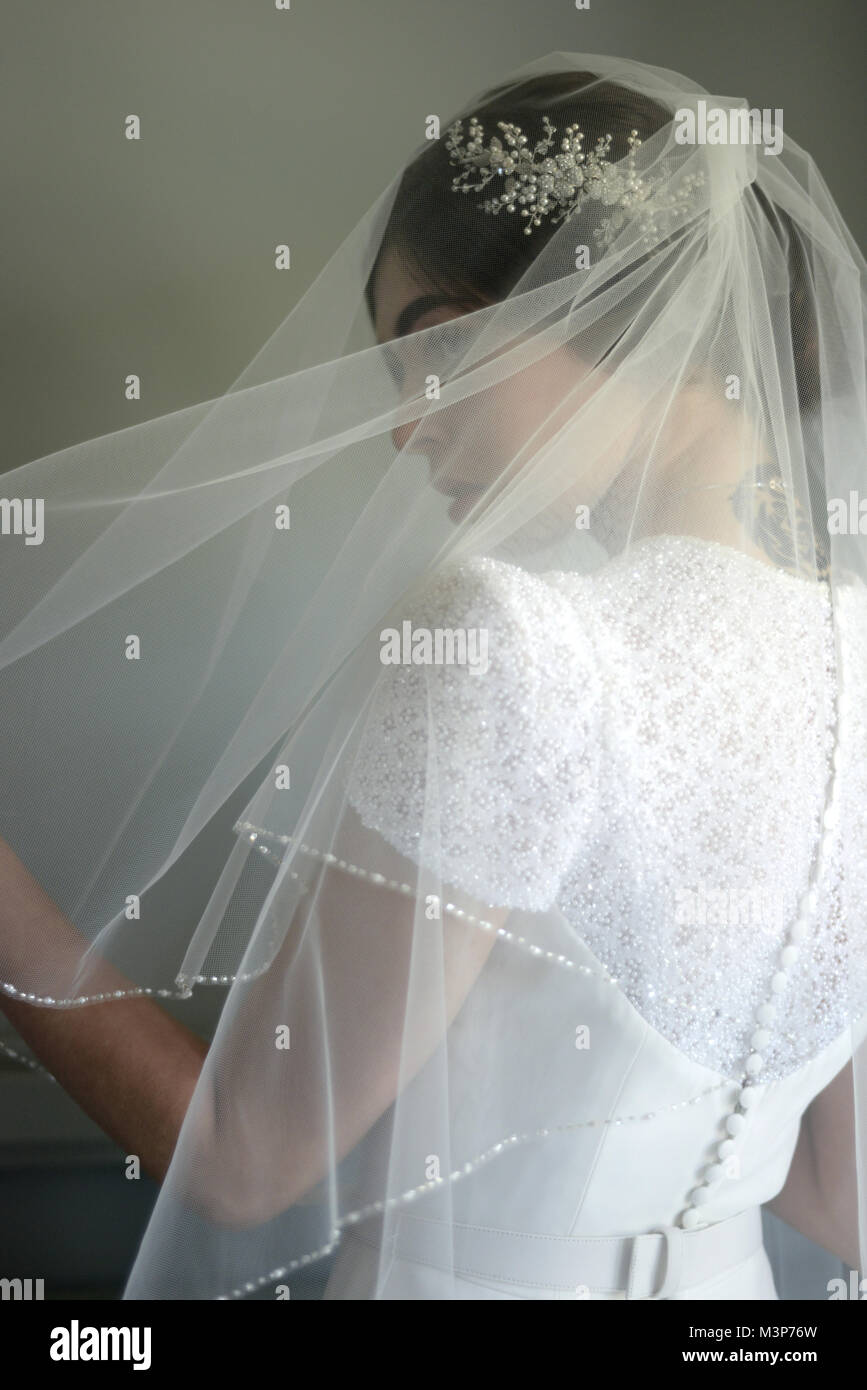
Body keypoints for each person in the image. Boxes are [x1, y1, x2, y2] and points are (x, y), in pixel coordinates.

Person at [0, 52, 864, 1300]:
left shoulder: (514, 649)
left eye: (431, 350)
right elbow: (841, 1198)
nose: (405, 427)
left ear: (596, 302)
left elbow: (244, 1161)